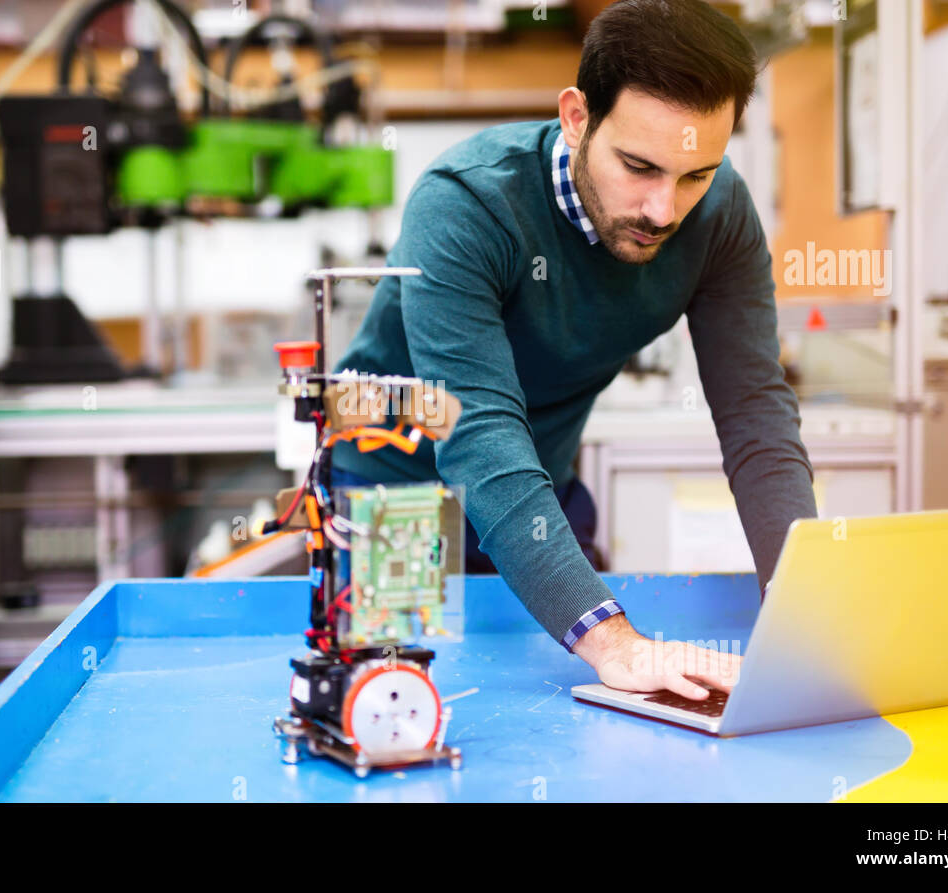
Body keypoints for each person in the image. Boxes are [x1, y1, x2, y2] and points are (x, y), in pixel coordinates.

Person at [331, 0, 818, 701]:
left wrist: (806, 610)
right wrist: (612, 639)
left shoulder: (719, 215)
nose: (664, 209)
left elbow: (757, 416)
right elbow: (477, 430)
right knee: (403, 715)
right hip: (398, 497)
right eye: (639, 166)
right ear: (575, 116)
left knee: (582, 721)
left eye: (695, 173)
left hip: (542, 495)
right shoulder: (466, 204)